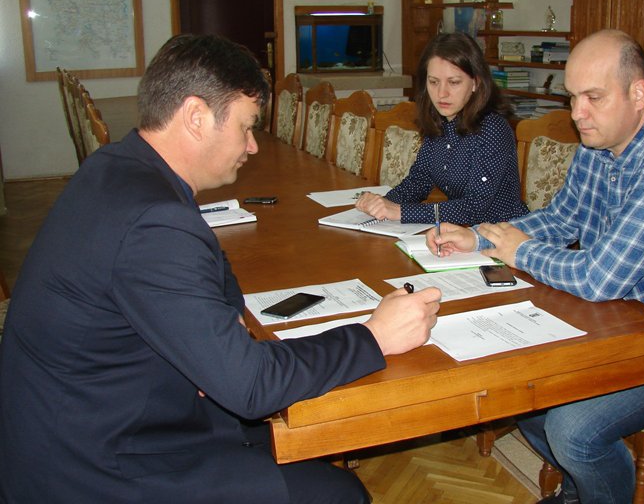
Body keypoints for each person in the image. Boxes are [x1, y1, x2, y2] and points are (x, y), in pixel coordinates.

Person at [0, 34, 441, 504]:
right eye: (246, 127)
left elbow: (210, 266)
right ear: (196, 116)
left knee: (276, 424)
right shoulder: (156, 221)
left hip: (92, 411)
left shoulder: (118, 166)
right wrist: (374, 336)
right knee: (337, 494)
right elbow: (250, 386)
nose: (252, 146)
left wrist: (223, 327)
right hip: (95, 466)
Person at [427, 29, 644, 504]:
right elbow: (562, 219)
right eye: (573, 97)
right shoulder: (598, 144)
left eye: (593, 97)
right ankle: (587, 490)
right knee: (524, 392)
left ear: (638, 94)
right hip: (623, 319)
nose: (577, 113)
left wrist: (518, 251)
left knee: (573, 430)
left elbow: (599, 278)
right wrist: (480, 236)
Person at [355, 31, 528, 225]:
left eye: (454, 82)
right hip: (460, 234)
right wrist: (383, 203)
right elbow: (418, 182)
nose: (441, 93)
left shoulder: (493, 128)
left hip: (504, 237)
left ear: (476, 83)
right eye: (433, 82)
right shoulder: (440, 121)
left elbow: (474, 208)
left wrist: (401, 211)